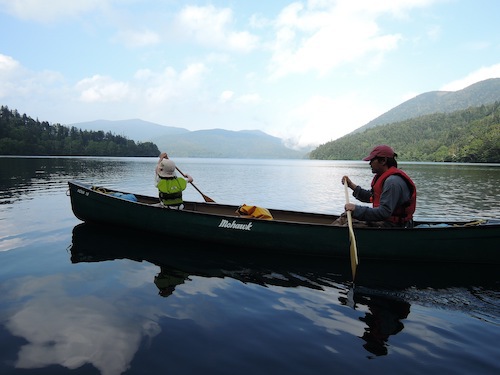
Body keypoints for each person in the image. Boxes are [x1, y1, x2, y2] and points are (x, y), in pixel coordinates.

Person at [338, 145, 416, 228]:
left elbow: (384, 213)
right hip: (384, 221)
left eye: (372, 160)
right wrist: (351, 185)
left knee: (348, 225)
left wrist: (356, 209)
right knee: (345, 217)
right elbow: (372, 196)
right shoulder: (385, 178)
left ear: (383, 161)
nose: (370, 163)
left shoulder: (392, 182)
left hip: (394, 226)